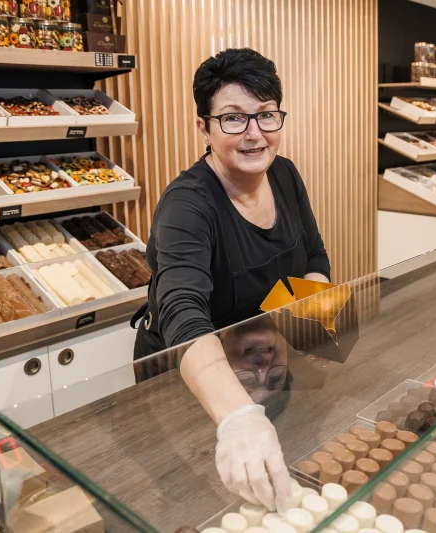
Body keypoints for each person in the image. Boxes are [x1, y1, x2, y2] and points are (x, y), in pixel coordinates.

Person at [132, 48, 330, 514]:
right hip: (194, 385)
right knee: (190, 505)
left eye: (266, 115)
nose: (255, 134)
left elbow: (315, 257)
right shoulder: (187, 205)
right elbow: (182, 310)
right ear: (204, 128)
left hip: (261, 369)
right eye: (234, 119)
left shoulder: (284, 173)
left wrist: (311, 326)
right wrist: (238, 417)